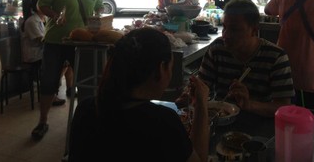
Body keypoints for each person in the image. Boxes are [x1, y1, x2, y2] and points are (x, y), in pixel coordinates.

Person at [68, 28, 210, 162]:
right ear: (161, 69)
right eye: (170, 67)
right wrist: (202, 104)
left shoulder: (85, 109)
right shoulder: (163, 123)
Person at [31, 0, 104, 141]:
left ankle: (84, 121)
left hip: (83, 42)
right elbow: (42, 5)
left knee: (87, 83)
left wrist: (98, 13)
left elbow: (100, 5)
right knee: (48, 81)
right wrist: (55, 15)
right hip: (56, 41)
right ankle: (42, 121)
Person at [196, 0, 295, 117]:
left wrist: (249, 104)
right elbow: (202, 86)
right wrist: (192, 93)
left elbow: (284, 107)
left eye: (234, 29)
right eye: (225, 27)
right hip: (219, 119)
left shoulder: (276, 57)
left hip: (259, 125)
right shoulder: (217, 48)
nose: (226, 35)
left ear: (254, 30)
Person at [22, 0, 73, 107]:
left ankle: (70, 89)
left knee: (67, 62)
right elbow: (40, 40)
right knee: (61, 64)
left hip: (42, 51)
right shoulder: (31, 21)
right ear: (38, 7)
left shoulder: (44, 20)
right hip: (34, 55)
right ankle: (53, 93)